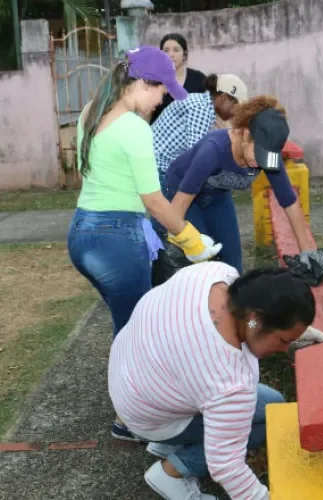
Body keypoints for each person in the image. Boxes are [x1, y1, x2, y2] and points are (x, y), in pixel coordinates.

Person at [67, 45, 222, 443]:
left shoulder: (91, 114)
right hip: (117, 240)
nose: (162, 100)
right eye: (160, 91)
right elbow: (153, 200)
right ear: (142, 83)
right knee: (135, 334)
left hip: (83, 234)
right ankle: (131, 420)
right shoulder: (134, 127)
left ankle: (132, 410)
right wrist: (192, 241)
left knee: (127, 326)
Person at [107, 263, 320, 500]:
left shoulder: (214, 274)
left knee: (274, 405)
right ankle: (171, 472)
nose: (284, 349)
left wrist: (294, 332)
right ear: (256, 319)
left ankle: (170, 443)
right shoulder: (230, 381)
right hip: (148, 414)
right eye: (282, 340)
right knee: (261, 428)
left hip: (133, 368)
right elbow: (227, 465)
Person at [161, 95, 317, 274]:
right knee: (201, 265)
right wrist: (183, 238)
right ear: (245, 133)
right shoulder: (214, 150)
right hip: (182, 194)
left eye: (266, 158)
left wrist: (307, 252)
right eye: (258, 153)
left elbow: (290, 202)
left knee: (233, 269)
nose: (260, 163)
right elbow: (179, 204)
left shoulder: (268, 158)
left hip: (217, 196)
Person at [151, 73, 249, 193]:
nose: (235, 113)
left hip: (160, 166)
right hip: (159, 170)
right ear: (223, 98)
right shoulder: (201, 110)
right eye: (235, 106)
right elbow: (197, 158)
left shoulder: (202, 104)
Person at [150, 33, 207, 124]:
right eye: (166, 51)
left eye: (176, 50)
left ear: (184, 54)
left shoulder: (199, 79)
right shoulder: (153, 81)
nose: (171, 55)